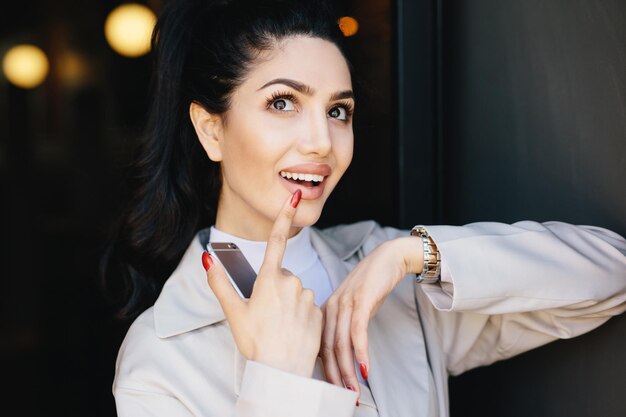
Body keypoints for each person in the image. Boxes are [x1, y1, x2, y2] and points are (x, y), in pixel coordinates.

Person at [101, 0, 626, 416]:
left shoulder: (391, 277)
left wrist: (413, 255)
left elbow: (611, 274)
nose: (320, 142)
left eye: (338, 110)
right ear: (211, 129)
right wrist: (279, 381)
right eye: (282, 103)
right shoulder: (160, 358)